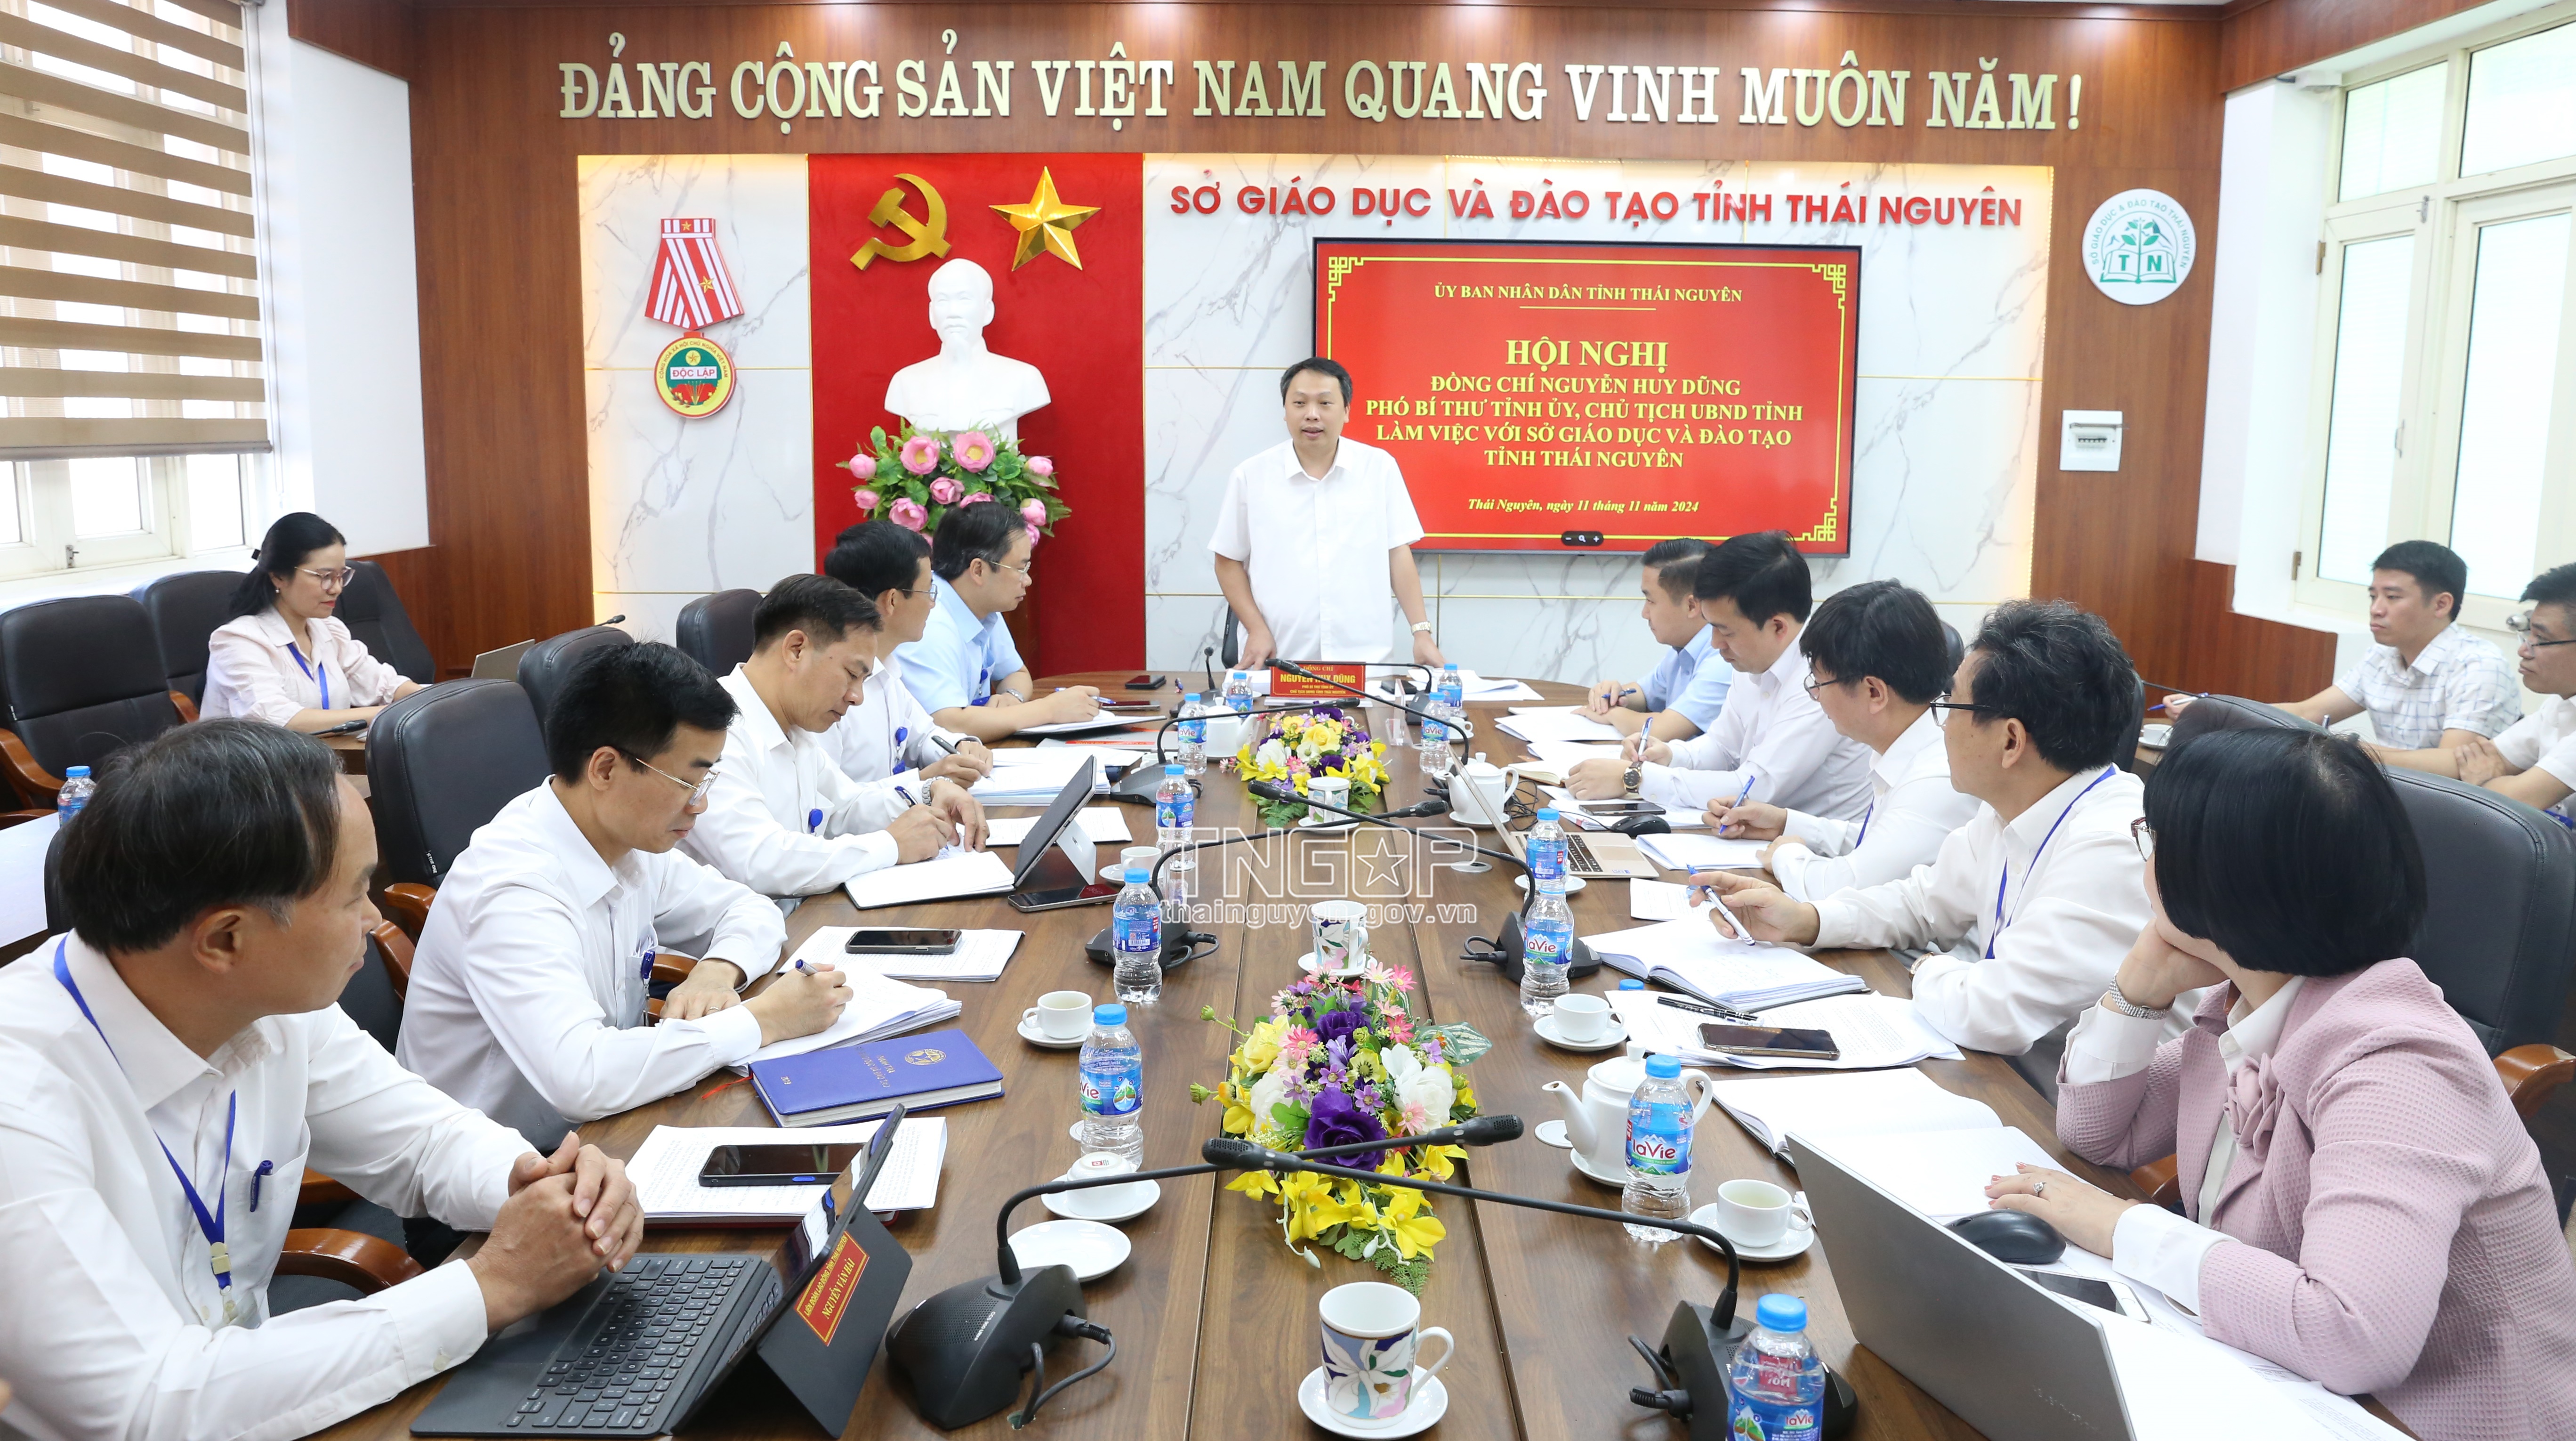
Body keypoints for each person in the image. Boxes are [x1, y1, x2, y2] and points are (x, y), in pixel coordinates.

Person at [0, 721, 647, 1441]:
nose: (374, 919)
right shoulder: (18, 1095)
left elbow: (424, 1143)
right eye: (354, 895)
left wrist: (546, 1188)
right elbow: (144, 1406)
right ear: (225, 938)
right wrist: (492, 1286)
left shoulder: (266, 1002)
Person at [1986, 729, 2576, 1441]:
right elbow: (2098, 1135)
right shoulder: (2255, 1002)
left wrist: (2122, 1229)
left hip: (2425, 1419)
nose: (2148, 858)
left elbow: (2353, 1334)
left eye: (2154, 839)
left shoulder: (2402, 1063)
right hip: (2275, 1378)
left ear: (2217, 881)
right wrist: (2139, 985)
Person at [399, 643, 853, 1152]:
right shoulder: (512, 888)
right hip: (500, 1171)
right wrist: (763, 1019)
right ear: (606, 769)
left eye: (708, 779)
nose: (701, 804)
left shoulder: (625, 838)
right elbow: (582, 1077)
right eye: (687, 781)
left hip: (604, 1132)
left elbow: (750, 909)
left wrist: (717, 970)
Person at [1700, 600, 2174, 1056]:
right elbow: (1922, 902)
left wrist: (1927, 966)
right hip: (2001, 1068)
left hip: (2050, 1098)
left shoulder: (2110, 844)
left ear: (2011, 741)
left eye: (1952, 706)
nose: (1940, 724)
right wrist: (1807, 921)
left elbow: (1991, 1013)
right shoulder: (2011, 806)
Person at [681, 575, 985, 897]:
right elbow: (761, 862)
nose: (857, 697)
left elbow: (845, 807)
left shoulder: (793, 723)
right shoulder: (712, 731)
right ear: (796, 650)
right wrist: (891, 845)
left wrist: (928, 792)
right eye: (852, 674)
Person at [1704, 580, 1979, 902]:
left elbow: (1844, 888)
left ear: (1874, 692)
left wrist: (1786, 854)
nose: (1815, 695)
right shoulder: (1913, 744)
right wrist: (1783, 824)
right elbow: (1876, 841)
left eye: (1819, 683)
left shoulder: (1937, 777)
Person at [1565, 531, 1870, 820]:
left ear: (1777, 627)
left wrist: (1635, 779)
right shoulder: (1751, 659)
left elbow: (1754, 787)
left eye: (1726, 631)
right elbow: (1724, 748)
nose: (1715, 644)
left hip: (1816, 848)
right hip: (1757, 835)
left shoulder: (1821, 678)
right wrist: (1670, 754)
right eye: (1712, 627)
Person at [2164, 540, 2516, 753]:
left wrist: (2348, 752)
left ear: (2441, 605)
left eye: (2393, 597)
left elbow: (2450, 764)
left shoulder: (2479, 665)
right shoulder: (2382, 656)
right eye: (2374, 596)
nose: (2377, 609)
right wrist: (2215, 711)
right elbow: (2307, 713)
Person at [1209, 357, 1446, 669]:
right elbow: (1227, 560)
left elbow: (1397, 553)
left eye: (1325, 403)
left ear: (1346, 411)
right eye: (1299, 403)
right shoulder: (1251, 476)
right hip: (1279, 658)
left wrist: (1421, 632)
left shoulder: (1379, 468)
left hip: (1364, 662)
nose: (1312, 414)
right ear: (1285, 411)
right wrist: (1256, 629)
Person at [896, 497, 1101, 741]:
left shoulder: (980, 603)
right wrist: (1049, 710)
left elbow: (1017, 673)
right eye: (1021, 569)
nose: (1028, 581)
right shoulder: (928, 619)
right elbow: (948, 723)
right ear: (979, 570)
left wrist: (1012, 698)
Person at [201, 512, 425, 731]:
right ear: (278, 576)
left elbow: (384, 685)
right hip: (259, 757)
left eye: (341, 576)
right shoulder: (238, 641)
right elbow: (278, 721)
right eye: (325, 577)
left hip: (326, 752)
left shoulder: (329, 630)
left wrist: (429, 701)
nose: (337, 589)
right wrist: (388, 714)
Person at [2391, 561, 2576, 825]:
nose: (2524, 650)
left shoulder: (2478, 662)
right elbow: (2470, 759)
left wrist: (2484, 780)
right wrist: (2359, 751)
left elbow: (2517, 800)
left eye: (2542, 640)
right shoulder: (2560, 705)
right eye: (2528, 635)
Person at [820, 519, 993, 788]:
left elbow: (924, 736)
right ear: (892, 601)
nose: (933, 604)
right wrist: (921, 782)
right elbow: (830, 798)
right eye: (928, 591)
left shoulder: (886, 664)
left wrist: (961, 746)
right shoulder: (826, 685)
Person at [1577, 538, 1733, 741]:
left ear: (1692, 606)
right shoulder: (1683, 648)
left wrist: (1610, 713)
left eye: (1651, 601)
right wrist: (1614, 694)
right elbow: (1644, 693)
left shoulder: (1724, 656)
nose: (1645, 613)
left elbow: (1663, 730)